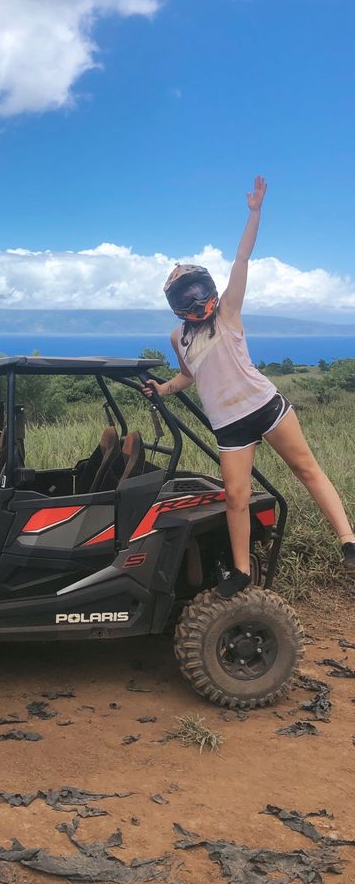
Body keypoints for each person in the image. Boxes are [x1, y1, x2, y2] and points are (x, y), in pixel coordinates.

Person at [143, 176, 355, 597]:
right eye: (189, 294)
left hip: (265, 404)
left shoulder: (228, 314)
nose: (197, 297)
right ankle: (241, 571)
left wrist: (254, 212)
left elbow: (241, 258)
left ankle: (349, 541)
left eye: (201, 289)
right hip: (229, 426)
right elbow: (188, 376)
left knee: (307, 469)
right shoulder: (178, 338)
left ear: (210, 290)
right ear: (176, 303)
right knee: (235, 499)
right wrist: (163, 390)